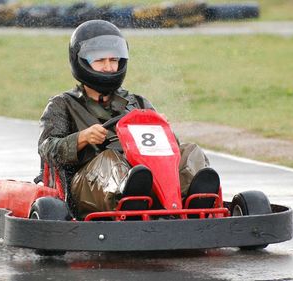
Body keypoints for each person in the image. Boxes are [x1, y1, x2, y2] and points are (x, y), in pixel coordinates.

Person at [38, 20, 220, 219]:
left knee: (190, 151)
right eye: (100, 60)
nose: (108, 67)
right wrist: (82, 138)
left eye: (113, 60)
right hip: (87, 187)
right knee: (109, 160)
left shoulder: (138, 102)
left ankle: (197, 200)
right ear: (81, 61)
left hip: (147, 176)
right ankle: (131, 199)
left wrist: (162, 130)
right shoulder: (63, 104)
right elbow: (47, 149)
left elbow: (169, 152)